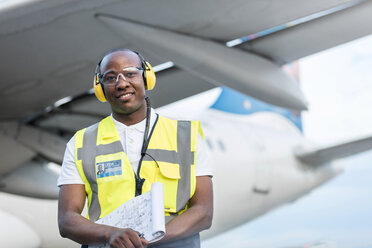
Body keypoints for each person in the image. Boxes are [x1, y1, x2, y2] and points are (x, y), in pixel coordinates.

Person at [57, 48, 213, 248]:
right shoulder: (81, 143)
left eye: (130, 73)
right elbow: (67, 219)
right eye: (110, 77)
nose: (122, 83)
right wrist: (109, 234)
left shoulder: (186, 136)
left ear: (147, 77)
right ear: (100, 88)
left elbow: (204, 212)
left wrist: (148, 239)